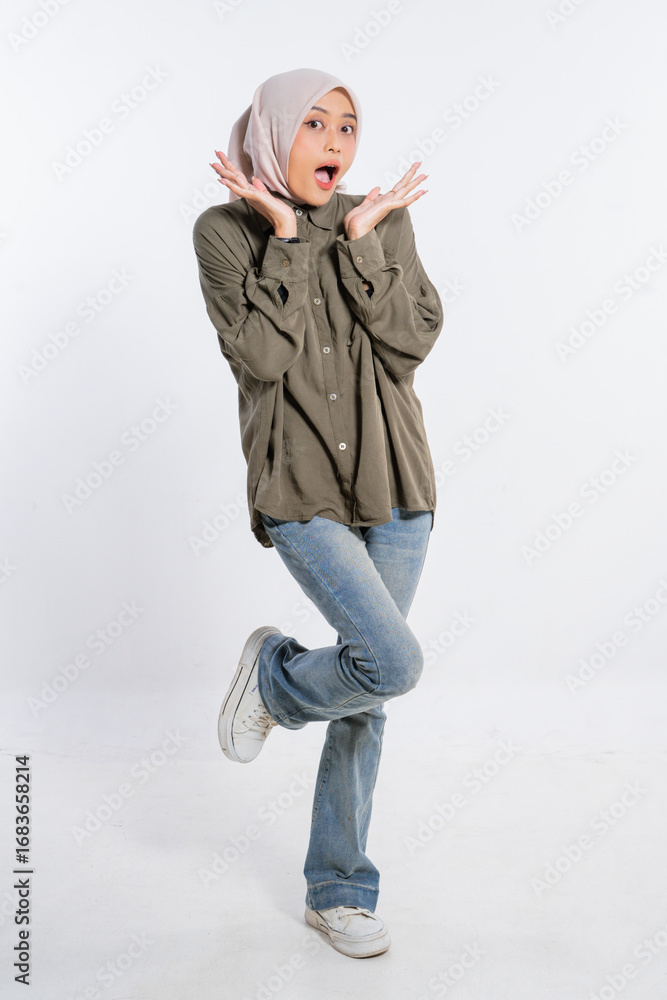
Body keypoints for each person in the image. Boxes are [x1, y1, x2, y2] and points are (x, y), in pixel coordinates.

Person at [192, 67, 443, 959]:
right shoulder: (224, 232)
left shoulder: (382, 218)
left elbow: (413, 341)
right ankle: (273, 679)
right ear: (270, 132)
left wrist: (364, 243)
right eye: (313, 124)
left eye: (347, 126)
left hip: (396, 485)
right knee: (391, 663)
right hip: (298, 489)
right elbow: (260, 357)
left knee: (368, 692)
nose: (335, 141)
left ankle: (336, 889)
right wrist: (290, 240)